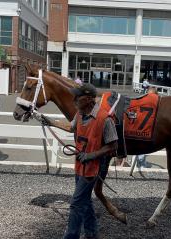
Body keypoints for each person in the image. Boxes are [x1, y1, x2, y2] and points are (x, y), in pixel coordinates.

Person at [40, 83, 118, 239]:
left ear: (89, 99)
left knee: (76, 203)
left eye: (77, 96)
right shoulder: (80, 113)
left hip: (94, 166)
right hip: (80, 163)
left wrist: (91, 155)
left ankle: (71, 236)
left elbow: (113, 146)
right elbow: (71, 128)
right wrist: (51, 122)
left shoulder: (104, 118)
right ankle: (91, 232)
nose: (74, 99)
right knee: (85, 199)